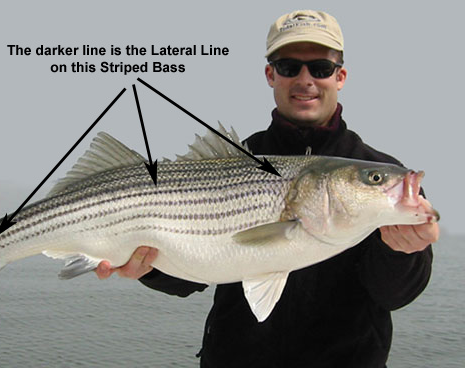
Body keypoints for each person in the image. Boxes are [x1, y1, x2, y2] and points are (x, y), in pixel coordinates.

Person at [96, 10, 440, 367]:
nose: (306, 79)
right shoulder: (232, 160)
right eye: (290, 66)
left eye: (321, 68)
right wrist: (147, 267)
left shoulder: (379, 174)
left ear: (340, 77)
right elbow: (190, 278)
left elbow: (395, 294)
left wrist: (403, 252)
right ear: (270, 74)